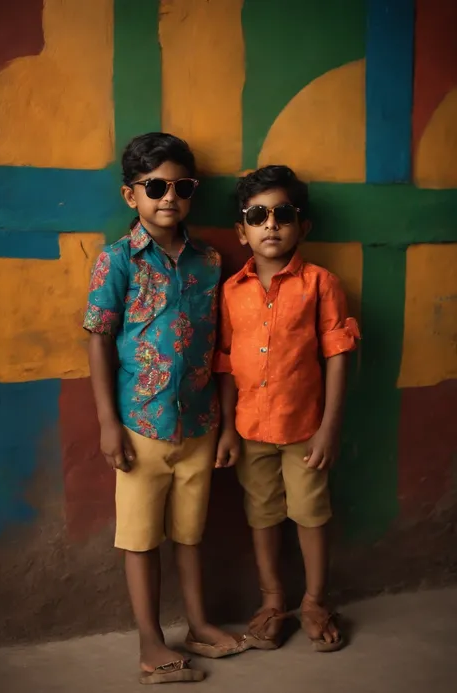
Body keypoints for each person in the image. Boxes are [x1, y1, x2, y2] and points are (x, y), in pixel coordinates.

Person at [84, 133, 247, 685]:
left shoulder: (209, 260)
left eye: (181, 187)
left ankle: (199, 623)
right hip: (141, 427)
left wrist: (224, 422)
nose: (168, 197)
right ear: (132, 195)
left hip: (200, 424)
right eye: (155, 186)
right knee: (141, 538)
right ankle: (150, 641)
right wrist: (109, 423)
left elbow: (224, 347)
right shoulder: (116, 260)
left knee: (190, 532)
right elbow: (99, 340)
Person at [215, 165, 360, 654]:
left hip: (304, 430)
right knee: (262, 515)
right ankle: (274, 600)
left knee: (311, 514)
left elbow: (338, 356)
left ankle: (317, 601)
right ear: (242, 230)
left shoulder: (321, 284)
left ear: (303, 226)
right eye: (258, 215)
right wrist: (230, 431)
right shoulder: (231, 291)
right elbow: (226, 364)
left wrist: (328, 429)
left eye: (283, 214)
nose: (271, 224)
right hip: (250, 428)